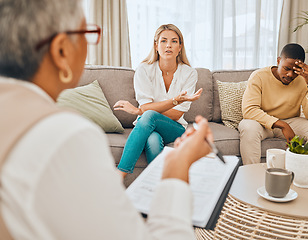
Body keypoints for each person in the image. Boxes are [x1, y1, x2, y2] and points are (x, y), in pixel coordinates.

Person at [0, 1, 212, 239]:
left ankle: (125, 177)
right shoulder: (66, 135)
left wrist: (144, 110)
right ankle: (145, 184)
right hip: (152, 127)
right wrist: (177, 166)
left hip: (170, 125)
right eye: (88, 34)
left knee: (149, 119)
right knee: (151, 137)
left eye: (174, 41)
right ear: (62, 51)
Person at [113, 24, 203, 177]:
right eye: (163, 41)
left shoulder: (189, 73)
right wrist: (173, 101)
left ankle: (119, 175)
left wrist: (140, 111)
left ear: (180, 47)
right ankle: (160, 185)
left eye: (174, 41)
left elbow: (175, 115)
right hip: (146, 127)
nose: (168, 45)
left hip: (174, 128)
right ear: (156, 45)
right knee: (153, 139)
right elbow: (147, 106)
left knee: (148, 116)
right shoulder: (144, 69)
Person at [239, 43, 308, 165]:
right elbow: (249, 110)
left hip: (291, 120)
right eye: (286, 68)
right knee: (248, 126)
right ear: (278, 61)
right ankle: (251, 175)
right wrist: (282, 125)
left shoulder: (303, 80)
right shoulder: (259, 76)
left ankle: (306, 174)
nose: (290, 75)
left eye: (295, 71)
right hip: (262, 124)